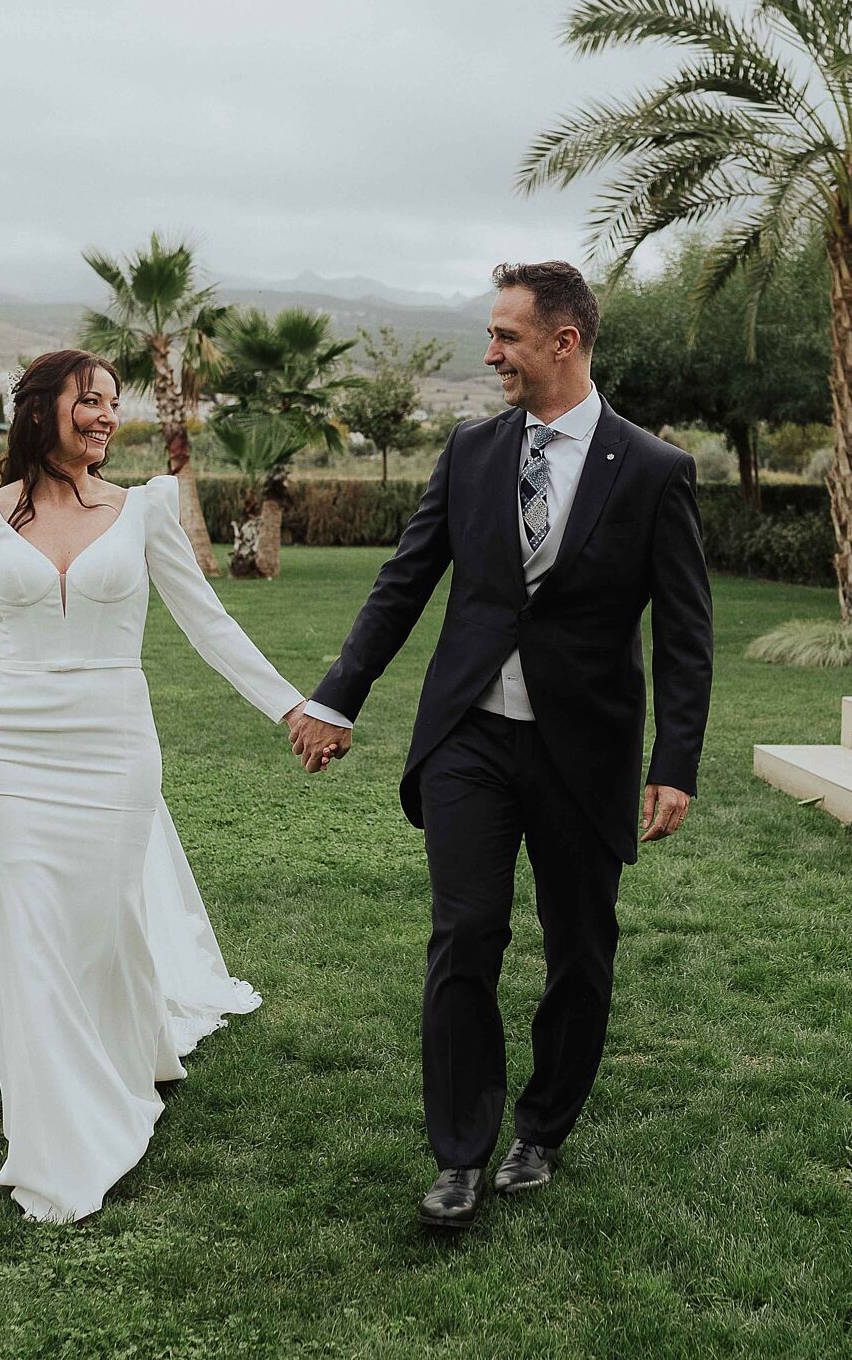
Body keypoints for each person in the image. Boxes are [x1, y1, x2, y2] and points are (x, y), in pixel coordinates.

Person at [290, 261, 714, 1228]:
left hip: (584, 752)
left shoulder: (655, 470)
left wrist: (674, 763)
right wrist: (337, 698)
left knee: (580, 948)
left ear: (565, 342)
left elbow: (686, 635)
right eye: (491, 335)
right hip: (468, 740)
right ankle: (458, 1153)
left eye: (506, 337)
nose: (491, 354)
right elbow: (404, 581)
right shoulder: (472, 451)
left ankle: (544, 1126)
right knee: (466, 932)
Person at [0, 348, 307, 1223]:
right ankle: (57, 1138)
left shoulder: (144, 511)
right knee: (29, 935)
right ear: (39, 411)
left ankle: (124, 1059)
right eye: (88, 400)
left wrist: (290, 705)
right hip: (9, 753)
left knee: (98, 928)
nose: (105, 416)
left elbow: (208, 624)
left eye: (112, 403)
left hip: (113, 749)